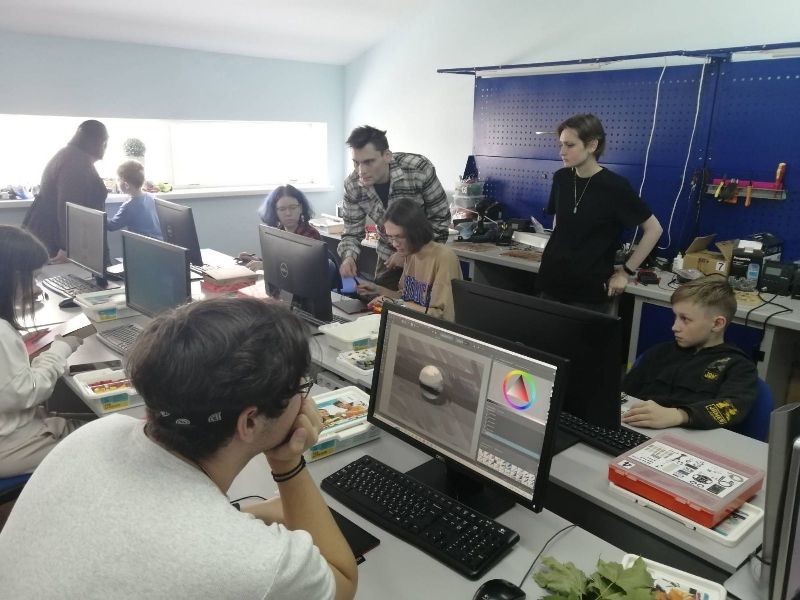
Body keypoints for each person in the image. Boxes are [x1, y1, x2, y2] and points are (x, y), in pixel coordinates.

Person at [0, 297, 358, 599]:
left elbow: (147, 530)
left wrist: (248, 517)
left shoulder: (97, 433)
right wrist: (287, 463)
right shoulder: (256, 564)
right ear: (249, 422)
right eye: (300, 388)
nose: (304, 401)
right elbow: (341, 580)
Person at [537, 113, 663, 312]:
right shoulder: (561, 178)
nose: (562, 152)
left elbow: (654, 229)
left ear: (592, 145)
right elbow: (559, 223)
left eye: (570, 145)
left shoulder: (615, 187)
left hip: (588, 291)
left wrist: (625, 272)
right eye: (561, 144)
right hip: (551, 281)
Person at [0, 226, 85, 478]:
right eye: (33, 278)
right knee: (99, 434)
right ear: (9, 277)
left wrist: (20, 343)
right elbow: (26, 392)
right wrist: (60, 350)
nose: (37, 289)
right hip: (10, 447)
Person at [622, 276, 758, 430]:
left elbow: (730, 407)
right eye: (675, 317)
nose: (674, 327)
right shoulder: (659, 353)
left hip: (691, 435)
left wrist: (679, 415)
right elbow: (623, 393)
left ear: (717, 323)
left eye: (685, 319)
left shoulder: (739, 366)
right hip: (637, 427)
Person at [338, 125, 451, 290]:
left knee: (419, 303)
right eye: (356, 163)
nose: (361, 171)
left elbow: (440, 221)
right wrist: (349, 258)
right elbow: (351, 233)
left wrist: (410, 252)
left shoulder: (419, 170)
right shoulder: (353, 185)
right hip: (388, 256)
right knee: (377, 300)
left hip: (425, 254)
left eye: (369, 162)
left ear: (387, 156)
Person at [358, 198, 462, 321]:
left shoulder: (444, 258)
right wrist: (378, 290)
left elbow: (443, 315)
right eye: (391, 237)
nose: (394, 244)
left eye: (399, 236)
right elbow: (405, 299)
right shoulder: (411, 254)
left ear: (416, 231)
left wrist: (396, 304)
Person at [22, 120, 109, 262]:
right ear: (102, 142)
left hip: (52, 235)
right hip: (58, 243)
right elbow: (68, 206)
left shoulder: (69, 155)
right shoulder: (75, 162)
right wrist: (67, 247)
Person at [238, 184, 322, 271]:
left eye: (293, 208)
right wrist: (255, 260)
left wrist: (265, 266)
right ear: (275, 211)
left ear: (300, 208)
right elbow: (279, 263)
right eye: (282, 209)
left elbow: (302, 268)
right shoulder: (276, 232)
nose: (288, 213)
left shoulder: (310, 235)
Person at [106, 160, 163, 240]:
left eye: (118, 179)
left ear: (126, 185)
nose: (117, 182)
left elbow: (112, 226)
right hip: (161, 242)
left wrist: (100, 212)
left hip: (143, 244)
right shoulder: (152, 197)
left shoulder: (128, 207)